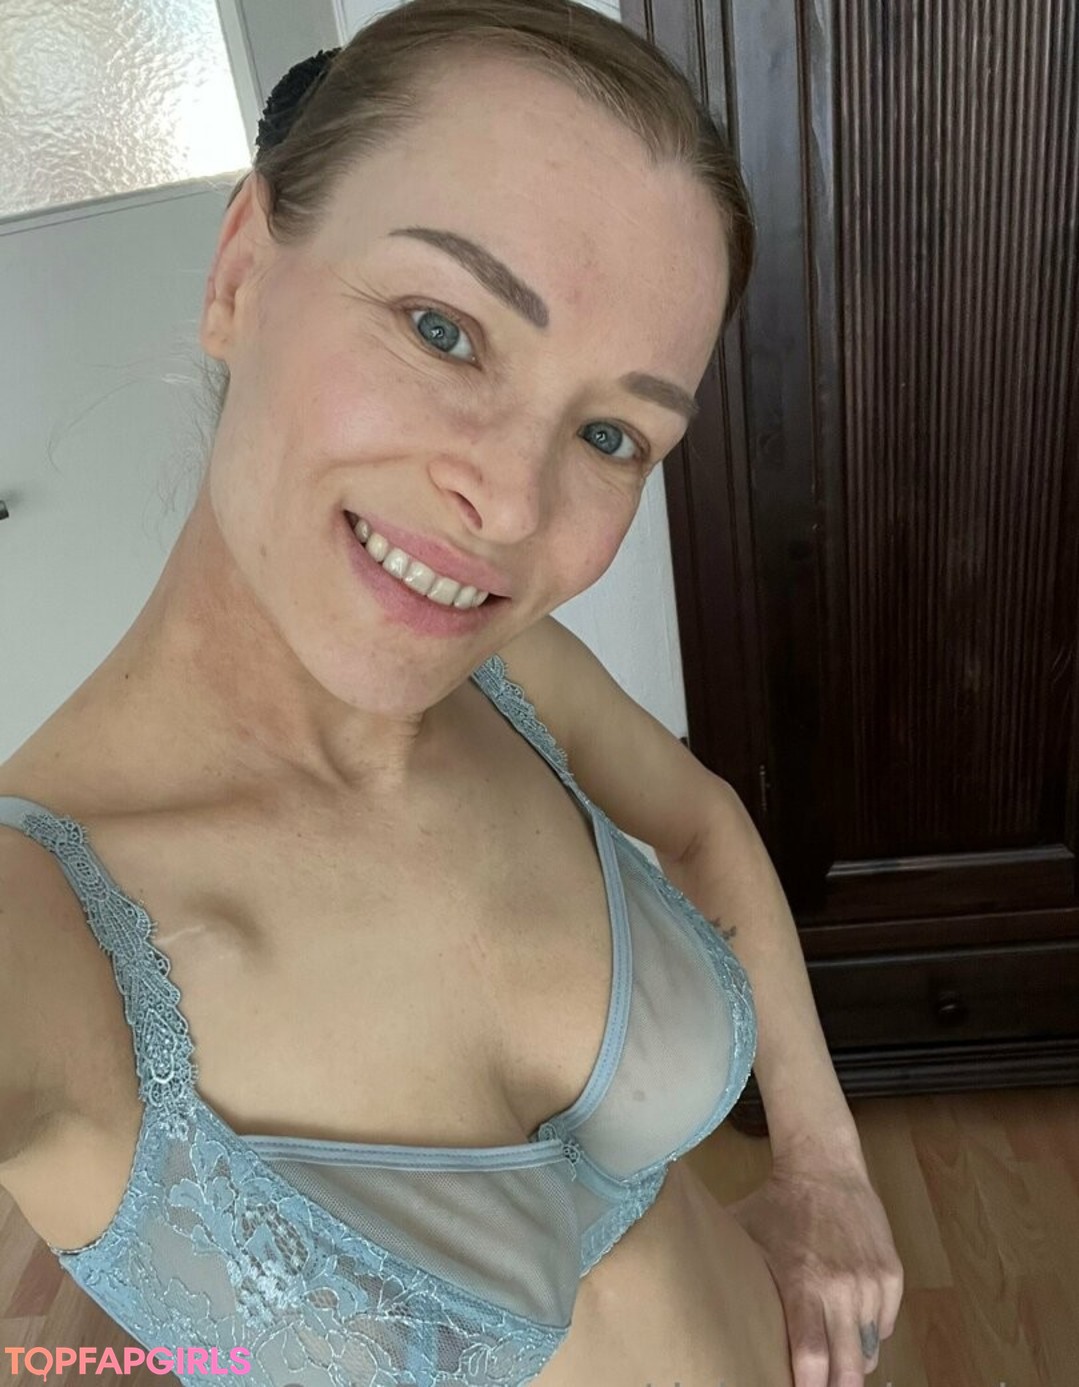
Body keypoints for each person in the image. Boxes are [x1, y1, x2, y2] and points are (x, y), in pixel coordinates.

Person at [0, 1, 805, 1382]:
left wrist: (828, 1168)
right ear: (241, 275)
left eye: (612, 433)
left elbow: (700, 821)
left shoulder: (507, 674)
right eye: (445, 328)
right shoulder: (43, 930)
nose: (512, 504)